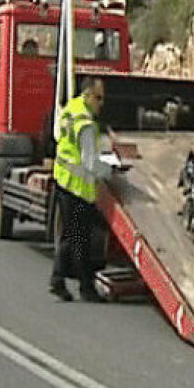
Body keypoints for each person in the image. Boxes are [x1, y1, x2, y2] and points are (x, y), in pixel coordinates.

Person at [49, 78, 112, 302]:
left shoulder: (71, 108)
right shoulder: (86, 125)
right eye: (98, 98)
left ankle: (58, 280)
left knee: (70, 237)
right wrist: (111, 171)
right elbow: (90, 163)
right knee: (80, 240)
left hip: (63, 180)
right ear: (87, 94)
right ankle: (86, 288)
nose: (101, 103)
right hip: (77, 187)